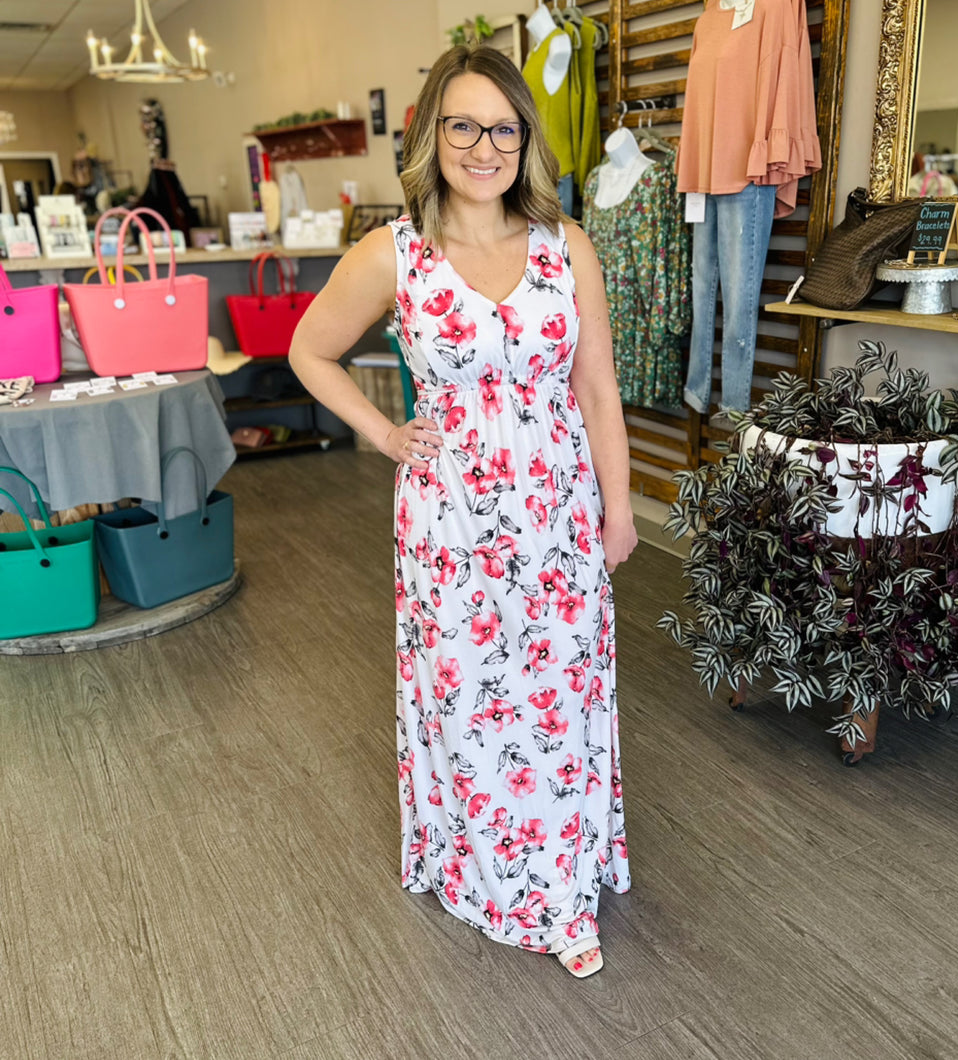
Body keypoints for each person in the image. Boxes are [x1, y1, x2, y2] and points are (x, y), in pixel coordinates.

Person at [288, 43, 637, 979]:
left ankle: (560, 883)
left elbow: (598, 388)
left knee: (557, 696)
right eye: (464, 126)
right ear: (432, 134)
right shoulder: (393, 253)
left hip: (559, 506)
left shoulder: (569, 248)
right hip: (449, 522)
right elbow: (308, 350)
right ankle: (483, 870)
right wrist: (382, 432)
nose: (485, 146)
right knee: (469, 698)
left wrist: (621, 506)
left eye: (504, 128)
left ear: (527, 139)